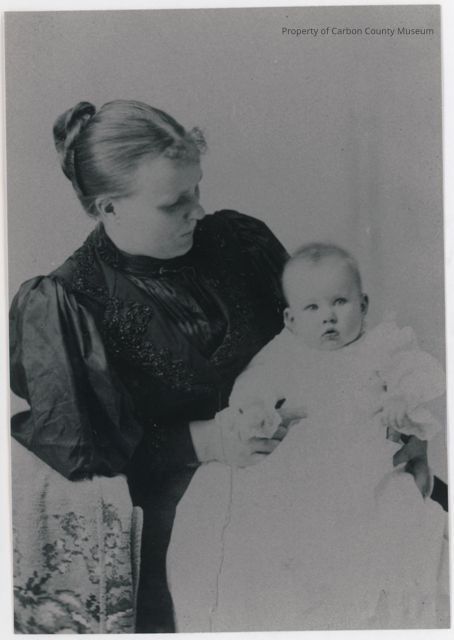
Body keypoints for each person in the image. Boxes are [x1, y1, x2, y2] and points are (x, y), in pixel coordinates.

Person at [9, 101, 433, 633]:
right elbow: (84, 455)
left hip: (322, 466)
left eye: (197, 189)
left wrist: (408, 431)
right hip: (193, 513)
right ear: (108, 207)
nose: (199, 211)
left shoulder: (239, 241)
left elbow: (333, 345)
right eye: (174, 203)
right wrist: (205, 441)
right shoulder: (66, 304)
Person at [167, 243, 449, 631]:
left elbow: (420, 373)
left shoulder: (382, 345)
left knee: (394, 520)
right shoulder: (286, 352)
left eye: (340, 302)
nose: (328, 316)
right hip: (305, 462)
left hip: (366, 458)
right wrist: (257, 411)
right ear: (292, 318)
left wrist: (402, 397)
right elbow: (252, 388)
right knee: (273, 526)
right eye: (312, 308)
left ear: (364, 304)